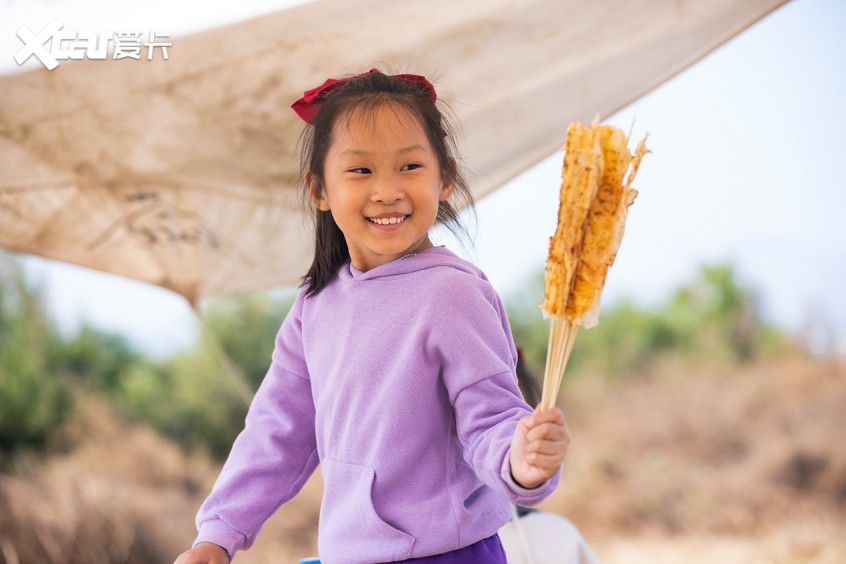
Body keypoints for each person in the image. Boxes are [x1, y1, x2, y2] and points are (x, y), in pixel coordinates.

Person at [173, 68, 569, 564]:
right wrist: (218, 533)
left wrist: (523, 460)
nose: (386, 191)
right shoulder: (314, 305)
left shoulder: (452, 293)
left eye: (409, 167)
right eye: (360, 171)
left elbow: (490, 418)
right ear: (319, 189)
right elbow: (277, 431)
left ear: (444, 177)